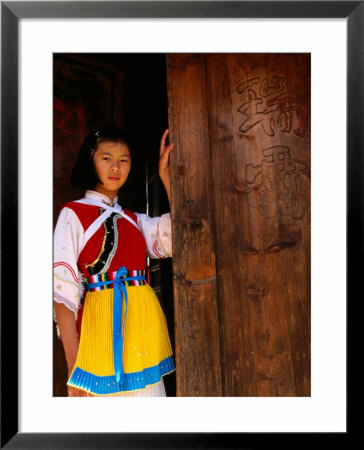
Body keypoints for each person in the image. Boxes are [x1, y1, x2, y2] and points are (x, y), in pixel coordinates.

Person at [53, 125, 175, 397]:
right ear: (91, 160)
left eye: (124, 160)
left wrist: (166, 177)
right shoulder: (72, 214)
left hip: (143, 326)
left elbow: (181, 236)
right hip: (99, 331)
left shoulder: (134, 219)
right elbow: (63, 296)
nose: (116, 167)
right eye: (106, 158)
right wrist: (75, 368)